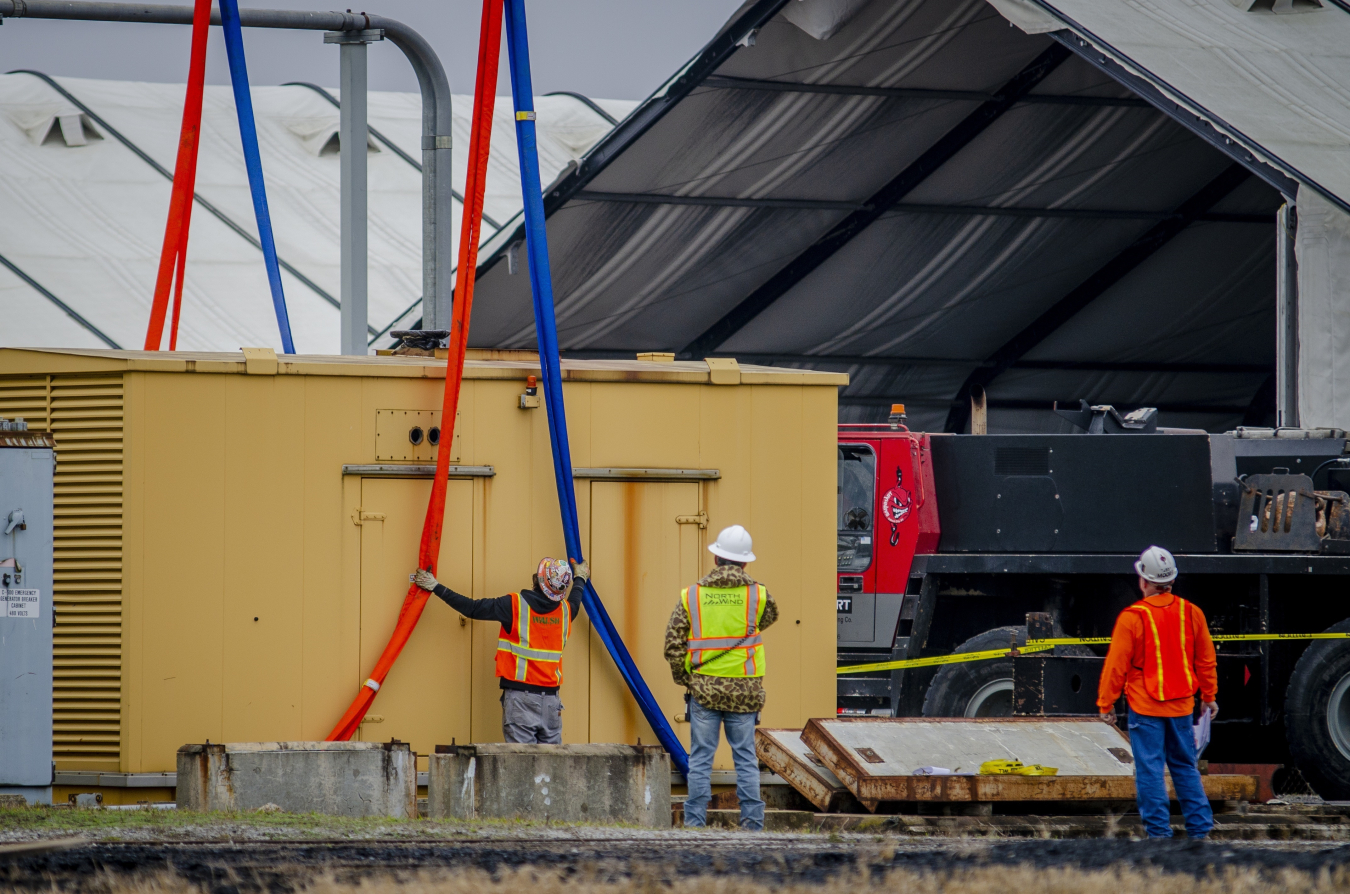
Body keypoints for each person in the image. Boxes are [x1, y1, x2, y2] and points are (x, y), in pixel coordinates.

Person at [1098, 545, 1219, 839]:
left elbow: (1117, 665)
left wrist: (1106, 703)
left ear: (1143, 580)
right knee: (1185, 767)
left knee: (1150, 771)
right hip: (1181, 708)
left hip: (1146, 708)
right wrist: (1209, 696)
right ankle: (1200, 831)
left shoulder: (1132, 617)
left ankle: (1158, 836)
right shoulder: (1192, 613)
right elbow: (1205, 658)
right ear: (1171, 580)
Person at [664, 525, 778, 831]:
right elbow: (767, 619)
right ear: (745, 563)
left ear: (716, 559)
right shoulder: (759, 594)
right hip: (745, 692)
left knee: (701, 758)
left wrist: (684, 679)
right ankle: (753, 825)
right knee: (745, 758)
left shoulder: (692, 595)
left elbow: (672, 643)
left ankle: (695, 824)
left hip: (704, 691)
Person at [414, 557, 588, 744]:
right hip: (552, 703)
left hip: (521, 700)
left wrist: (435, 586)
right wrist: (581, 577)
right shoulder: (567, 611)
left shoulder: (514, 605)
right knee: (552, 766)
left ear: (538, 579)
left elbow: (472, 608)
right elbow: (576, 597)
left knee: (521, 765)